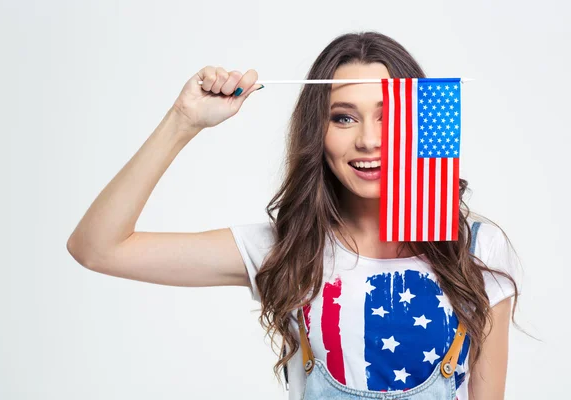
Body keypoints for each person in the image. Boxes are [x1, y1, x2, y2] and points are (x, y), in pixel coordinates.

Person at [67, 31, 521, 400]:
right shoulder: (286, 249)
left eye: (386, 117)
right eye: (343, 118)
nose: (367, 140)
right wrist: (182, 120)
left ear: (419, 123)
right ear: (316, 132)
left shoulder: (476, 249)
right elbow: (98, 248)